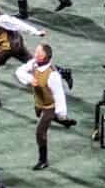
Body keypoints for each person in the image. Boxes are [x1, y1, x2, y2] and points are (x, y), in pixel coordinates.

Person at [14, 42, 76, 170]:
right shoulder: (34, 64)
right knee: (42, 116)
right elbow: (19, 71)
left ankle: (43, 160)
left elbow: (59, 95)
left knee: (40, 131)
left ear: (45, 57)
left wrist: (61, 113)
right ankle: (65, 122)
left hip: (49, 106)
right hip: (39, 102)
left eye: (38, 53)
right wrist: (29, 78)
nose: (35, 54)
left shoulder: (52, 75)